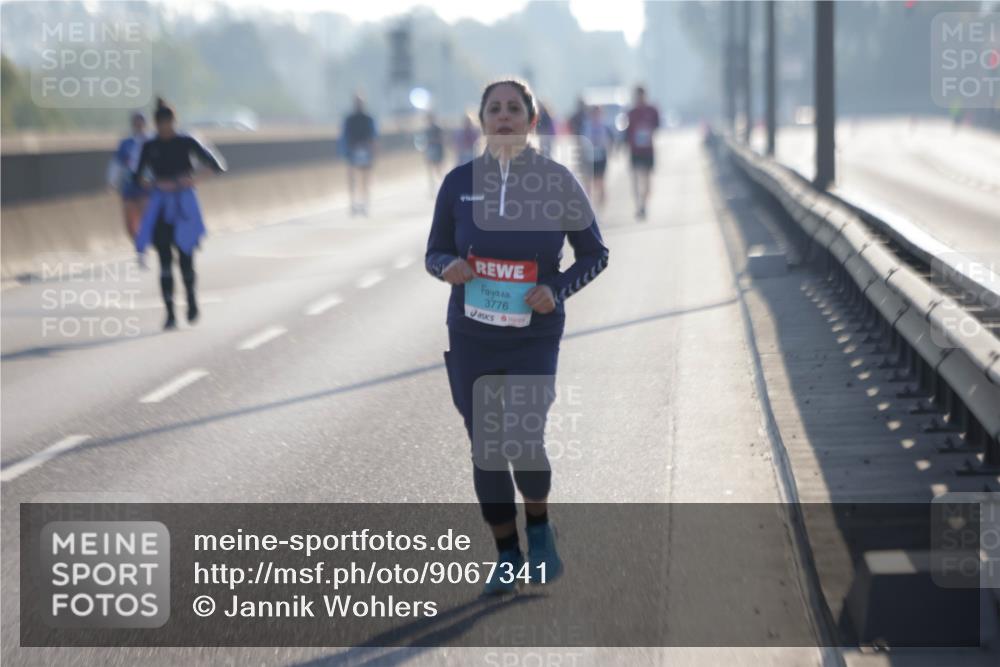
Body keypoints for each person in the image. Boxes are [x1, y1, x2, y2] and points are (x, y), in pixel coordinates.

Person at [425, 78, 609, 595]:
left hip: (534, 333)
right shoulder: (458, 183)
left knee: (524, 440)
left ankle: (539, 526)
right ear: (481, 121)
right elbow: (433, 252)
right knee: (487, 447)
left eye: (513, 109)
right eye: (493, 109)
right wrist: (449, 267)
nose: (503, 116)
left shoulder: (557, 182)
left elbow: (595, 254)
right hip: (472, 334)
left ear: (532, 122)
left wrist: (556, 287)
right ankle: (506, 556)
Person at [134, 97, 226, 330]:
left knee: (186, 260)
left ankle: (192, 301)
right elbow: (137, 178)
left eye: (169, 124)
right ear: (156, 125)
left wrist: (191, 179)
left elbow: (217, 166)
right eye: (162, 125)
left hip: (184, 205)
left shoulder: (187, 141)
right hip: (161, 206)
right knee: (165, 261)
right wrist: (156, 184)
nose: (166, 129)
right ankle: (170, 313)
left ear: (175, 122)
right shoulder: (150, 146)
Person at [108, 111, 151, 265]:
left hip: (147, 186)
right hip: (129, 186)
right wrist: (112, 182)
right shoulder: (125, 143)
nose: (138, 125)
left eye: (141, 122)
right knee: (129, 222)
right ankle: (139, 247)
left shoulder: (151, 141)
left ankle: (144, 245)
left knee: (145, 218)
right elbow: (117, 164)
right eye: (136, 122)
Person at [625, 85, 660, 220]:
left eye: (641, 95)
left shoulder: (652, 110)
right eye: (637, 96)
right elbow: (627, 131)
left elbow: (657, 126)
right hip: (635, 150)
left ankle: (644, 205)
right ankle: (638, 205)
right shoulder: (631, 112)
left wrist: (648, 131)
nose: (639, 98)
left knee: (647, 180)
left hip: (648, 150)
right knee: (635, 179)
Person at [342, 94, 377, 215]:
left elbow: (373, 136)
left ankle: (365, 202)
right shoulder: (349, 119)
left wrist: (372, 152)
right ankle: (353, 203)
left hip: (365, 151)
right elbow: (345, 136)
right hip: (353, 151)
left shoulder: (368, 119)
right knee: (352, 178)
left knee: (365, 178)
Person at [580, 105, 614, 208]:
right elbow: (582, 141)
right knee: (588, 182)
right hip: (589, 157)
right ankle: (589, 206)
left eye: (598, 113)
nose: (596, 115)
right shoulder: (586, 126)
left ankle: (601, 204)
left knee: (600, 182)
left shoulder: (605, 126)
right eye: (594, 113)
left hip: (601, 156)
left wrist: (609, 150)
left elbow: (610, 141)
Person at [422, 112, 445, 194]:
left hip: (437, 150)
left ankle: (444, 185)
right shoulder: (426, 129)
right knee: (430, 171)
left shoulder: (437, 128)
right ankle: (432, 188)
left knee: (438, 170)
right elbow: (423, 142)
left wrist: (432, 141)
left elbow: (441, 139)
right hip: (429, 151)